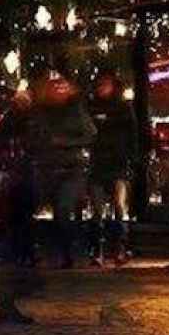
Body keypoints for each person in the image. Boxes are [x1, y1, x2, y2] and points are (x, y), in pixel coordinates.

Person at [30, 72, 97, 268]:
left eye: (63, 87)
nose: (59, 91)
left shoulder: (76, 110)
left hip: (71, 166)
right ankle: (50, 251)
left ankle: (68, 252)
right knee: (45, 209)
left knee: (63, 208)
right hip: (47, 166)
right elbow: (34, 135)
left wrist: (66, 143)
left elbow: (90, 134)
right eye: (55, 87)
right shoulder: (41, 111)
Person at [0, 88, 40, 323]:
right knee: (15, 244)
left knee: (15, 244)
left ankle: (6, 300)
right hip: (17, 188)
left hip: (15, 188)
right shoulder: (22, 127)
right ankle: (6, 301)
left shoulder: (11, 126)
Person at [87, 72, 138, 266]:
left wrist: (130, 158)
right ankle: (98, 250)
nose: (102, 89)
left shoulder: (123, 108)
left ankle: (120, 248)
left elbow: (132, 134)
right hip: (99, 163)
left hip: (117, 162)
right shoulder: (92, 107)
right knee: (98, 210)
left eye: (105, 85)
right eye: (100, 85)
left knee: (119, 206)